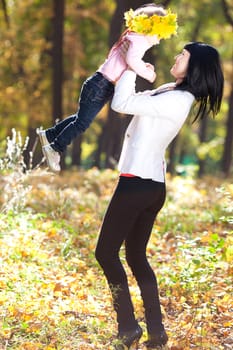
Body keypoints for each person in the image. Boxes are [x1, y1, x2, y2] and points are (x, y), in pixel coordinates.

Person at [95, 41, 224, 349]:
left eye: (184, 55)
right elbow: (132, 100)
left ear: (193, 67)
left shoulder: (178, 99)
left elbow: (121, 103)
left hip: (138, 183)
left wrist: (131, 63)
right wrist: (134, 68)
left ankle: (128, 327)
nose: (177, 57)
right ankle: (156, 331)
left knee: (106, 253)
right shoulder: (171, 91)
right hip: (151, 184)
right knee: (135, 255)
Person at [37, 3, 178, 172]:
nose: (159, 40)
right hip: (101, 85)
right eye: (160, 35)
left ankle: (50, 135)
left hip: (100, 84)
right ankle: (55, 147)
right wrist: (149, 74)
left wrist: (142, 65)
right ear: (150, 27)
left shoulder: (133, 37)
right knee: (82, 123)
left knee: (80, 119)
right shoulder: (139, 41)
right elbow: (132, 61)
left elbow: (128, 60)